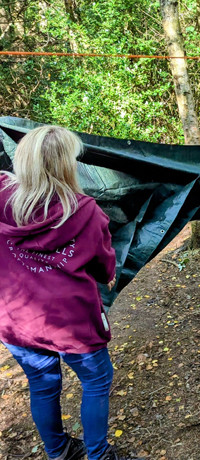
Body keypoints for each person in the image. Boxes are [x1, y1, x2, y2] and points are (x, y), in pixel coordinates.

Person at [0, 126, 136, 459]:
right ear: (65, 165)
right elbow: (104, 266)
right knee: (96, 381)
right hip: (71, 323)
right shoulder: (85, 211)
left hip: (17, 320)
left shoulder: (1, 193)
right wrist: (107, 276)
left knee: (42, 384)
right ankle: (98, 453)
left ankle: (58, 451)